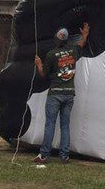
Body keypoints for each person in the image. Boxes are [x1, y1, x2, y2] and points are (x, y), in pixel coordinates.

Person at [34, 23, 89, 164]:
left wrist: (39, 65)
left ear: (56, 39)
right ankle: (64, 156)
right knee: (65, 125)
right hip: (69, 94)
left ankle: (44, 155)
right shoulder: (73, 51)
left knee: (50, 124)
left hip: (55, 94)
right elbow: (81, 44)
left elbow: (44, 75)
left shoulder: (51, 54)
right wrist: (85, 35)